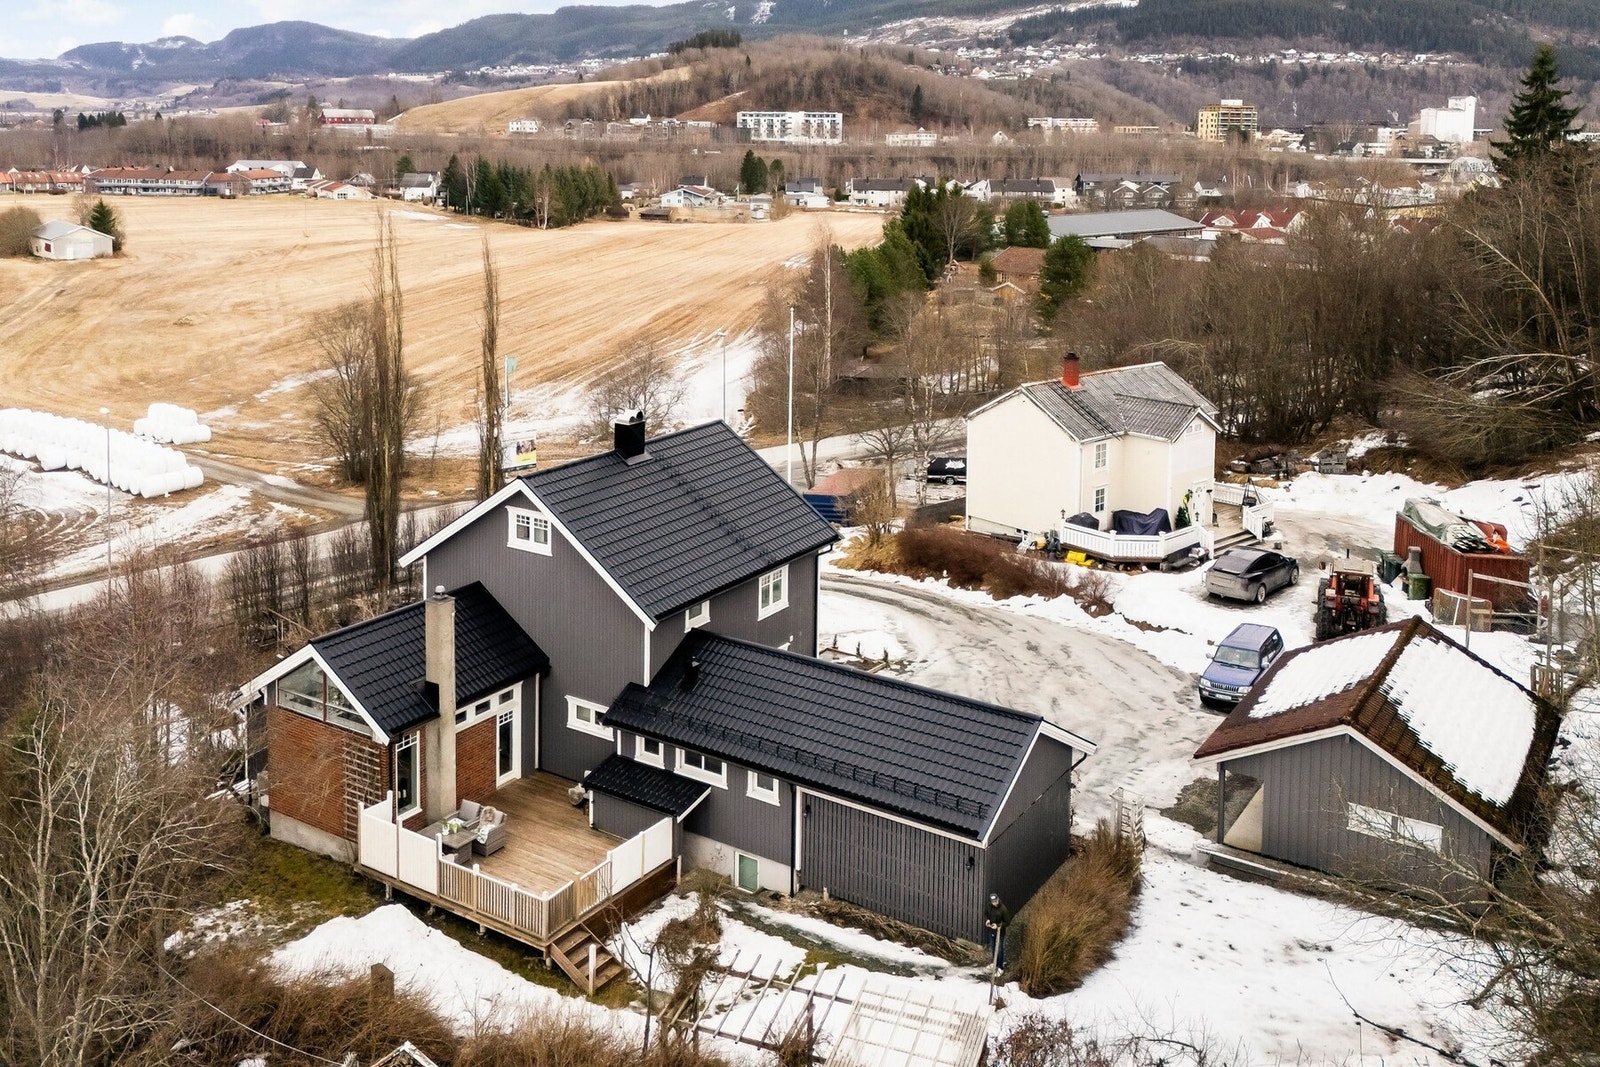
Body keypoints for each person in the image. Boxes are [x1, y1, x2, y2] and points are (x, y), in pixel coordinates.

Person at [983, 891, 1010, 972]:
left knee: (1000, 949)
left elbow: (1007, 922)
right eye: (993, 902)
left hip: (1000, 933)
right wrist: (987, 920)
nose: (994, 903)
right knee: (993, 947)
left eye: (995, 901)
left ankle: (1000, 967)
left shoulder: (1003, 909)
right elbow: (985, 913)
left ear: (998, 900)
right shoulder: (989, 906)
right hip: (991, 931)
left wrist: (998, 926)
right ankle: (995, 963)